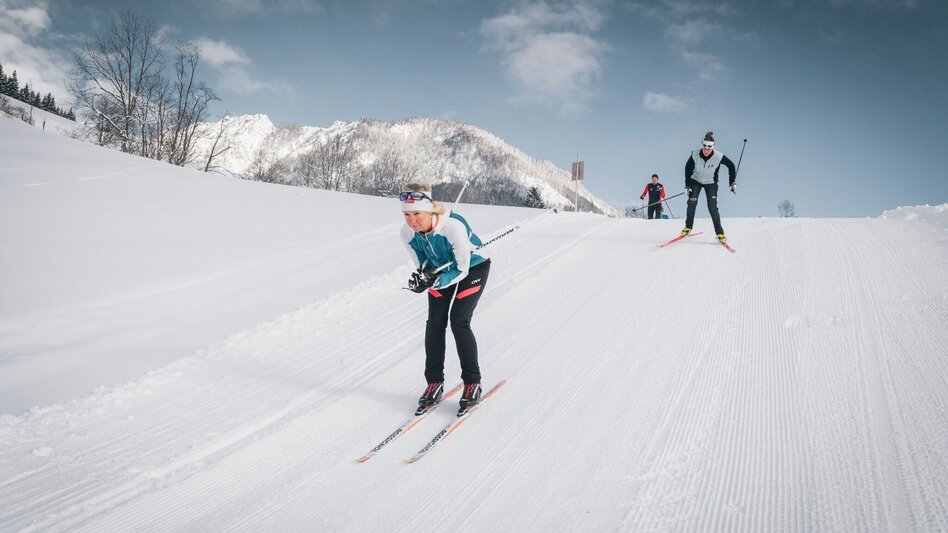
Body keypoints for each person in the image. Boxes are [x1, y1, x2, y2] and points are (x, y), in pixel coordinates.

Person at [400, 183, 491, 416]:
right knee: (435, 322)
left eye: (416, 214)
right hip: (442, 270)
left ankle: (472, 383)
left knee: (459, 321)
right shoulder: (407, 233)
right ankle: (434, 382)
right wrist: (423, 276)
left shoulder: (452, 227)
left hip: (473, 267)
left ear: (429, 210)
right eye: (407, 214)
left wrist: (435, 281)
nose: (412, 221)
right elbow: (422, 262)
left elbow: (461, 269)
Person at [681, 131, 737, 243]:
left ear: (712, 148)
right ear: (702, 146)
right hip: (695, 180)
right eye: (704, 148)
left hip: (710, 183)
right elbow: (687, 169)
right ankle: (688, 227)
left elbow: (731, 166)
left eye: (709, 149)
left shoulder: (718, 156)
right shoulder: (695, 154)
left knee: (712, 207)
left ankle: (720, 233)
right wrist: (687, 185)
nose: (706, 151)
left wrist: (732, 182)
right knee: (692, 203)